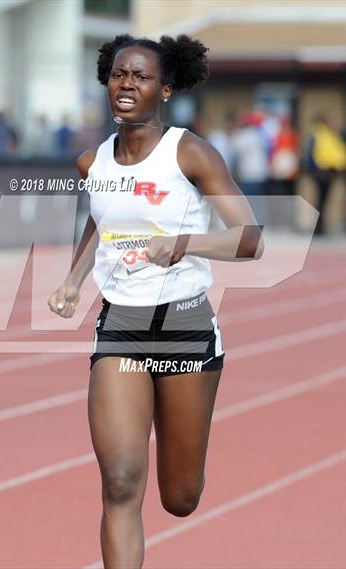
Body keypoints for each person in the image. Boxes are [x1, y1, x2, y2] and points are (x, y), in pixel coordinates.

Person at [48, 34, 263, 569]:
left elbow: (250, 239)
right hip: (119, 326)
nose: (127, 84)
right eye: (120, 74)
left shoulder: (190, 152)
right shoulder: (91, 162)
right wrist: (74, 280)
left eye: (141, 77)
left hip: (186, 328)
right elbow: (100, 219)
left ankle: (186, 478)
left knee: (180, 496)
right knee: (120, 481)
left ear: (164, 89)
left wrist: (184, 245)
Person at [306, 115, 346, 235]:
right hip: (324, 172)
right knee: (322, 200)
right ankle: (318, 228)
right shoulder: (323, 134)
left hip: (326, 172)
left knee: (322, 200)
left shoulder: (322, 134)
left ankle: (320, 228)